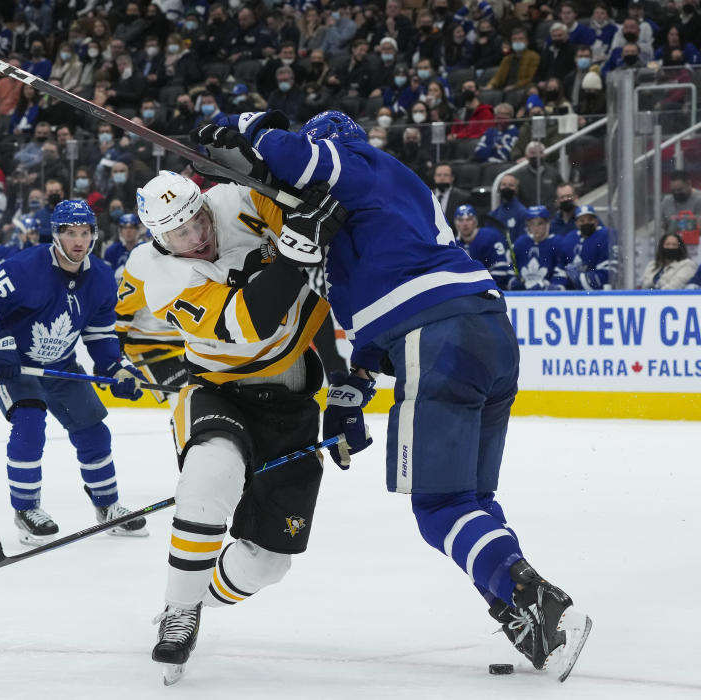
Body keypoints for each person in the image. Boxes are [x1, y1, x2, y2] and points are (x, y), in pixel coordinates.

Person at [195, 109, 592, 682]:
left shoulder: (359, 163)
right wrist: (352, 389)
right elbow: (377, 318)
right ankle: (519, 608)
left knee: (438, 508)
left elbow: (291, 157)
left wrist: (246, 124)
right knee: (470, 498)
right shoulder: (368, 212)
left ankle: (536, 601)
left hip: (437, 339)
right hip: (485, 333)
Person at [123, 170, 342, 683]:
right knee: (208, 478)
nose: (197, 236)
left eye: (197, 220)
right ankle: (178, 610)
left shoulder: (233, 200)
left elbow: (293, 206)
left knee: (267, 564)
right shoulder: (159, 273)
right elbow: (252, 319)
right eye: (180, 233)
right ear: (159, 238)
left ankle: (197, 596)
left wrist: (281, 188)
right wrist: (297, 246)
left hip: (291, 400)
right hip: (219, 390)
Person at [0, 200, 149, 546]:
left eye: (85, 233)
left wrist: (116, 368)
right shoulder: (25, 268)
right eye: (71, 233)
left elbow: (100, 335)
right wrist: (0, 346)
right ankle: (26, 510)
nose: (79, 241)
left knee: (94, 431)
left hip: (59, 365)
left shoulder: (102, 277)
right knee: (30, 423)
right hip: (13, 366)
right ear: (56, 236)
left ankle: (108, 506)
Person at [106, 212, 186, 409]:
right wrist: (112, 359)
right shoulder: (144, 259)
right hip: (149, 346)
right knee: (186, 398)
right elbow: (121, 311)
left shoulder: (197, 253)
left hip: (186, 344)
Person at [551, 205, 617, 290]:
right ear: (576, 223)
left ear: (596, 221)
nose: (586, 223)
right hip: (574, 296)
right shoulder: (569, 239)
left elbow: (610, 271)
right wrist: (559, 285)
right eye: (582, 221)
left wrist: (582, 279)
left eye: (590, 220)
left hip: (599, 294)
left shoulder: (607, 235)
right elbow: (561, 268)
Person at [453, 205, 516, 289]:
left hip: (500, 291)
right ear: (455, 223)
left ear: (476, 221)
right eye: (461, 220)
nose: (465, 224)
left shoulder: (491, 236)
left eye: (469, 219)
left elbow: (501, 272)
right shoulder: (454, 245)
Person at [512, 206, 561, 290]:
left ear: (547, 223)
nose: (536, 228)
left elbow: (561, 269)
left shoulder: (557, 243)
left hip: (548, 296)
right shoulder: (520, 243)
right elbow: (511, 267)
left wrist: (552, 286)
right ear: (528, 225)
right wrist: (513, 281)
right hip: (523, 295)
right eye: (532, 224)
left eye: (540, 223)